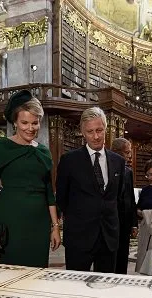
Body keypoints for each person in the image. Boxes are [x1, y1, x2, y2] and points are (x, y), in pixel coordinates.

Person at [0, 90, 61, 267]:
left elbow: (49, 194)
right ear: (15, 122)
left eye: (35, 123)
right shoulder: (1, 148)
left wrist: (55, 227)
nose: (30, 128)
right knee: (11, 272)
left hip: (40, 223)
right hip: (11, 221)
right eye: (24, 123)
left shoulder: (44, 152)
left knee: (38, 275)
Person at [56, 107, 126, 273]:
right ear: (82, 132)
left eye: (99, 130)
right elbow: (62, 199)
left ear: (106, 129)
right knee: (76, 290)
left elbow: (119, 198)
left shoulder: (118, 162)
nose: (95, 136)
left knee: (106, 289)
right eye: (90, 131)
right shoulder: (69, 161)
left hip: (109, 237)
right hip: (79, 237)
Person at [111, 137, 138, 274]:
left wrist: (134, 224)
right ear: (117, 152)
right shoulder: (106, 168)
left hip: (125, 222)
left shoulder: (129, 172)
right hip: (110, 222)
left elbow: (131, 200)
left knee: (123, 257)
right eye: (127, 152)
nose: (129, 156)